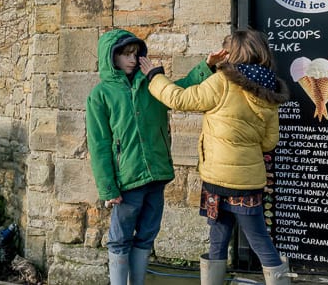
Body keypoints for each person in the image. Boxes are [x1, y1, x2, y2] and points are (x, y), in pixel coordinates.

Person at [139, 28, 292, 285]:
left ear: (232, 53)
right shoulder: (270, 90)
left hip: (218, 179)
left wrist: (154, 76)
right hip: (248, 182)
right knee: (260, 239)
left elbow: (180, 98)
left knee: (218, 238)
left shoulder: (223, 81)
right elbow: (269, 142)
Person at [86, 28, 225, 285]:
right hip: (127, 180)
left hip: (156, 175)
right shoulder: (100, 95)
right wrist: (108, 188)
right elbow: (99, 144)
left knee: (148, 234)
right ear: (111, 57)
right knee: (120, 238)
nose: (132, 59)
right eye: (125, 54)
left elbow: (181, 90)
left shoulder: (151, 84)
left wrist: (206, 66)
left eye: (135, 54)